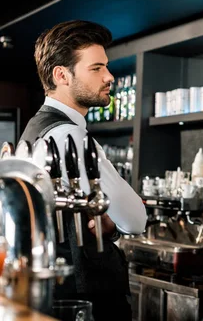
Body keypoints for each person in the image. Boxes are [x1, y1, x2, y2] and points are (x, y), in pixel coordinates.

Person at [21, 20, 147, 320]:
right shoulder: (70, 136)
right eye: (96, 68)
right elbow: (135, 218)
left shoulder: (36, 131)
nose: (109, 76)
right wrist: (114, 225)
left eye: (106, 66)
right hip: (84, 303)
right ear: (61, 75)